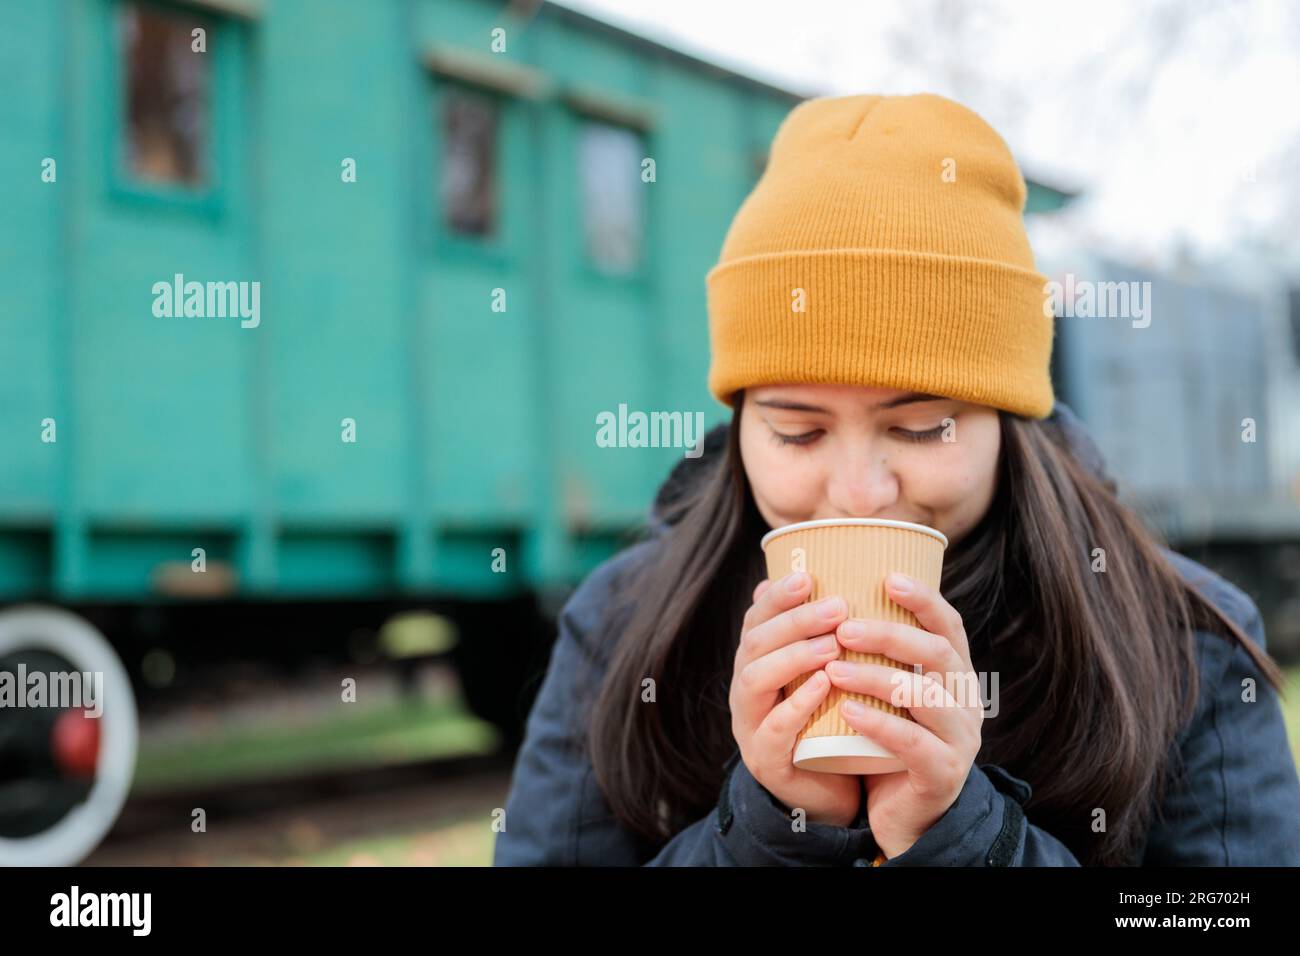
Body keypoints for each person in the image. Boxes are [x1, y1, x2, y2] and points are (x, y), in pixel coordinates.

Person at [492, 93, 1300, 866]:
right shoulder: (625, 626)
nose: (859, 490)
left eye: (920, 427)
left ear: (1009, 423)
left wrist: (968, 838)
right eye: (797, 430)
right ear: (740, 424)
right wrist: (770, 832)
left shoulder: (1181, 641)